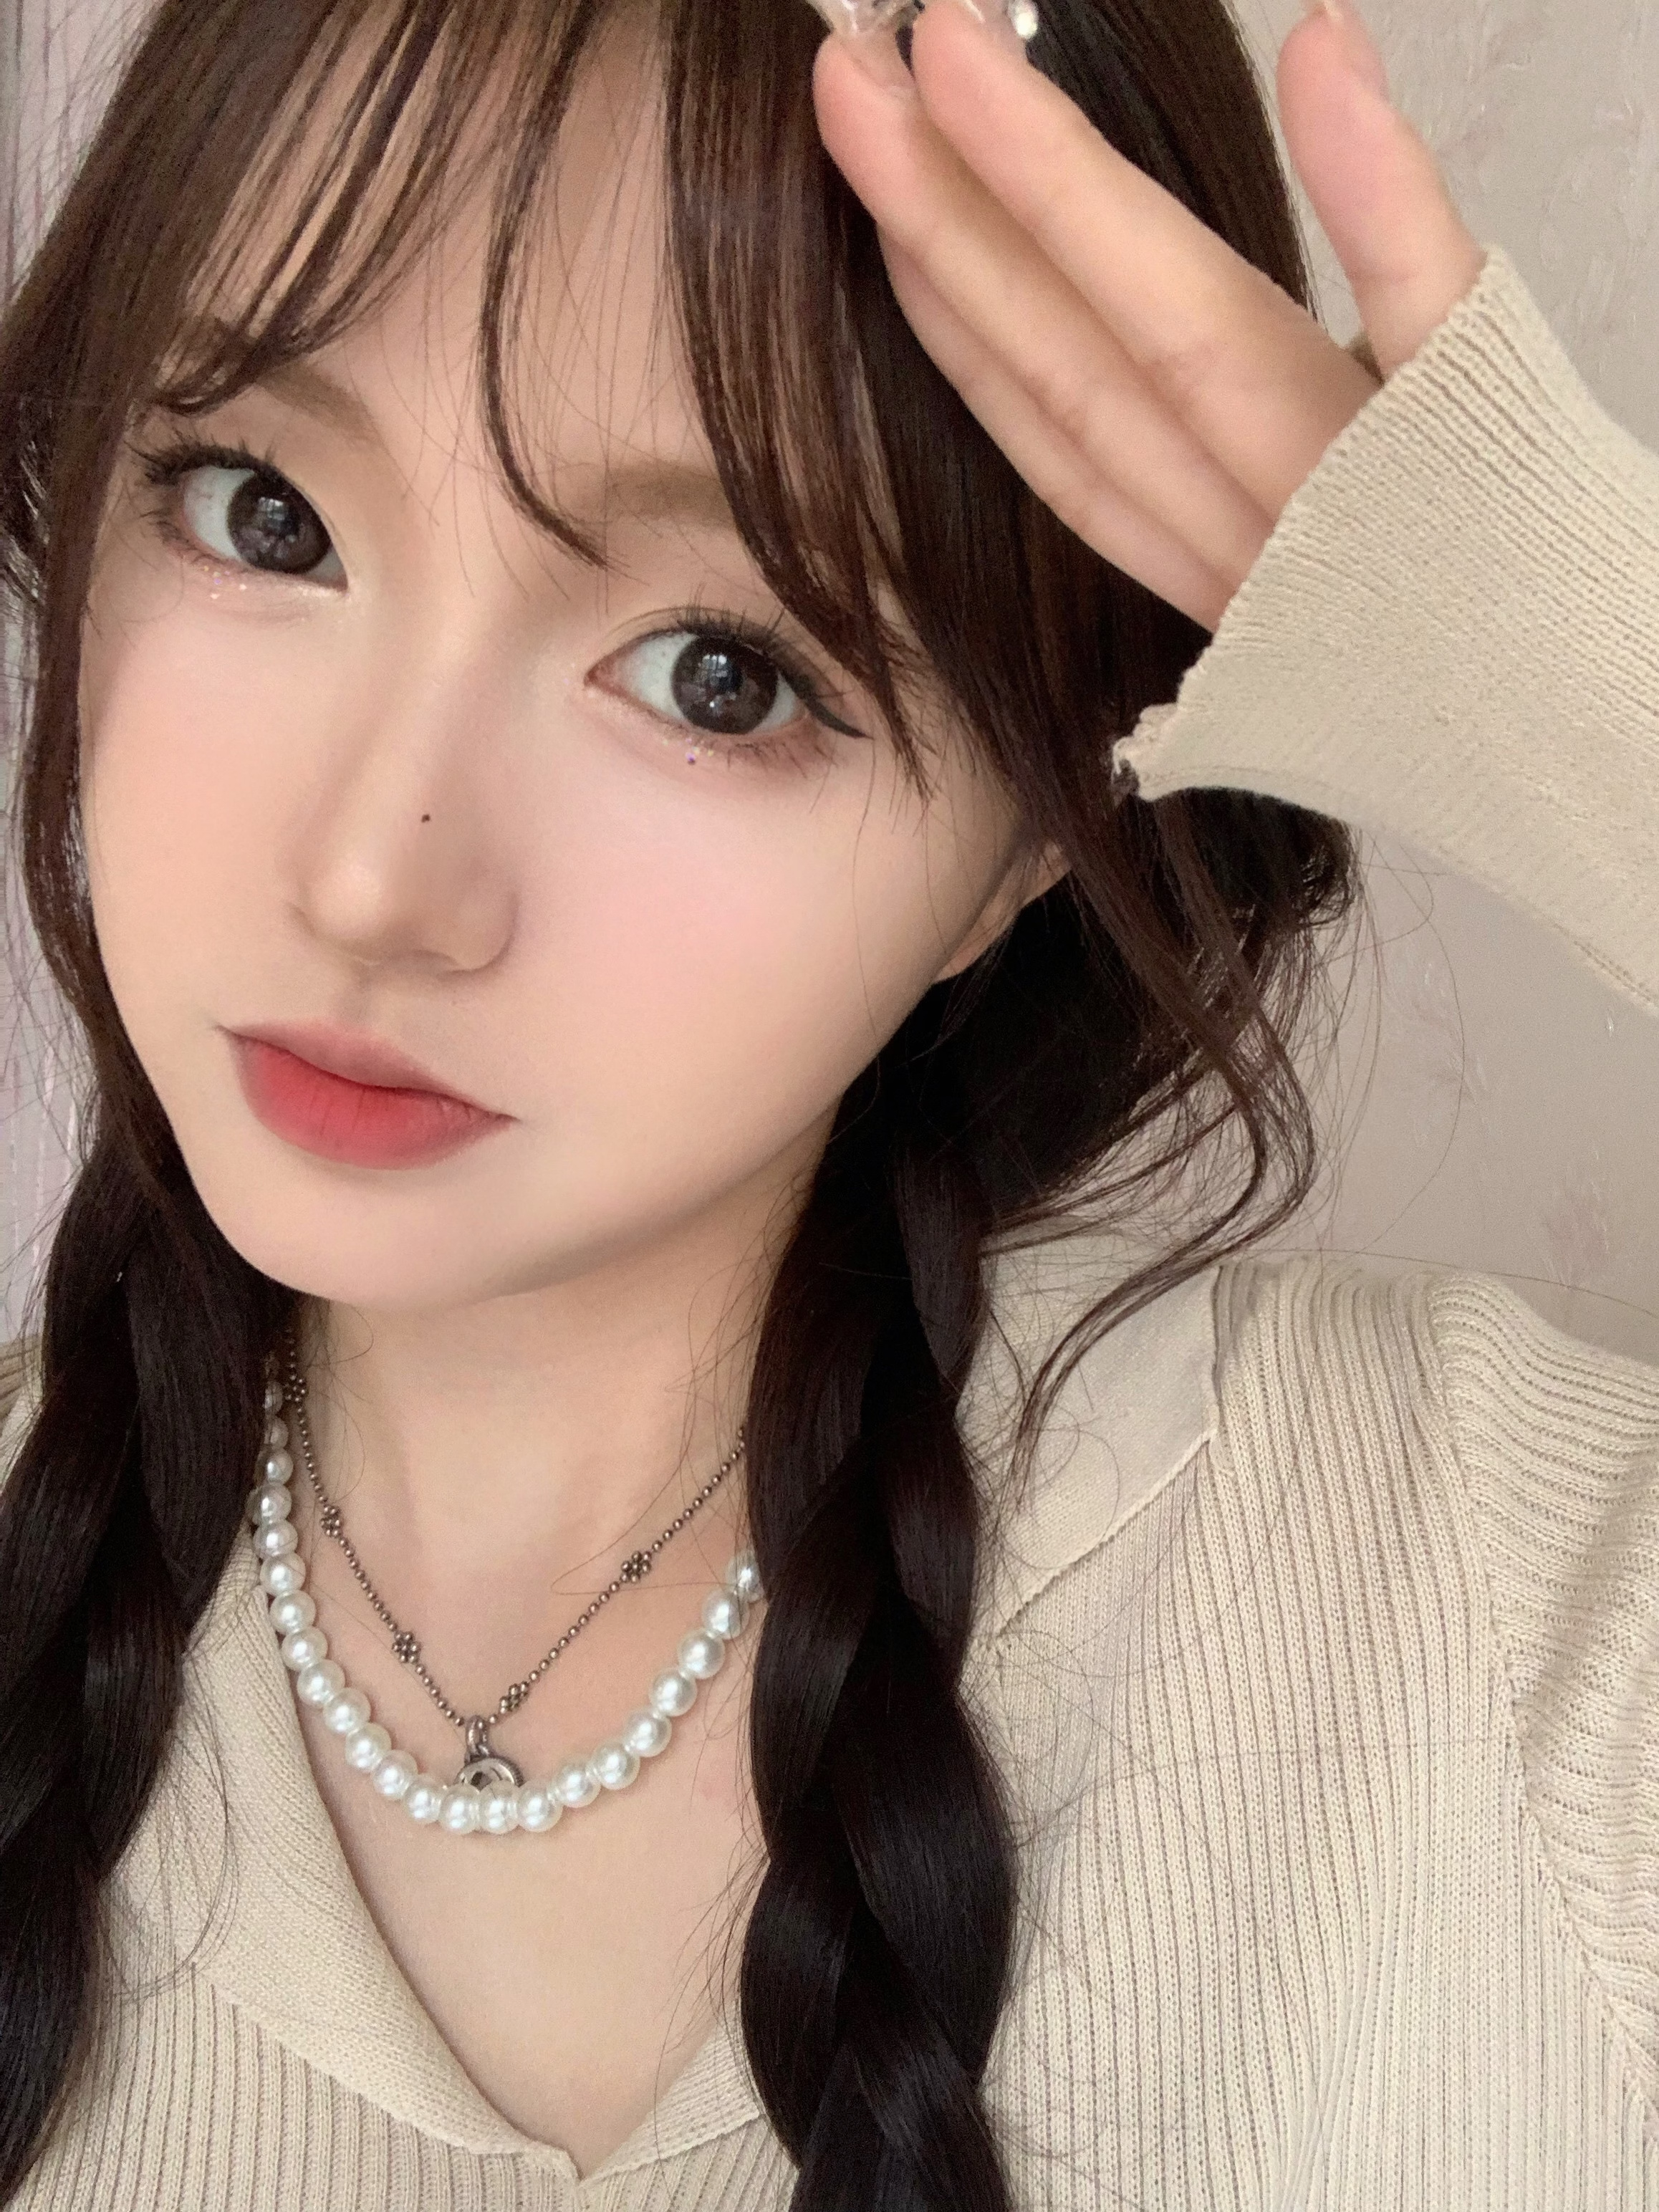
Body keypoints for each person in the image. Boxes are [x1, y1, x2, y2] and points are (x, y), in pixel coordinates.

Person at [0, 0, 1654, 2204]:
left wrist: (1580, 679)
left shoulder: (1503, 1629)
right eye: (267, 514)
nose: (376, 879)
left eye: (718, 675)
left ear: (1035, 830)